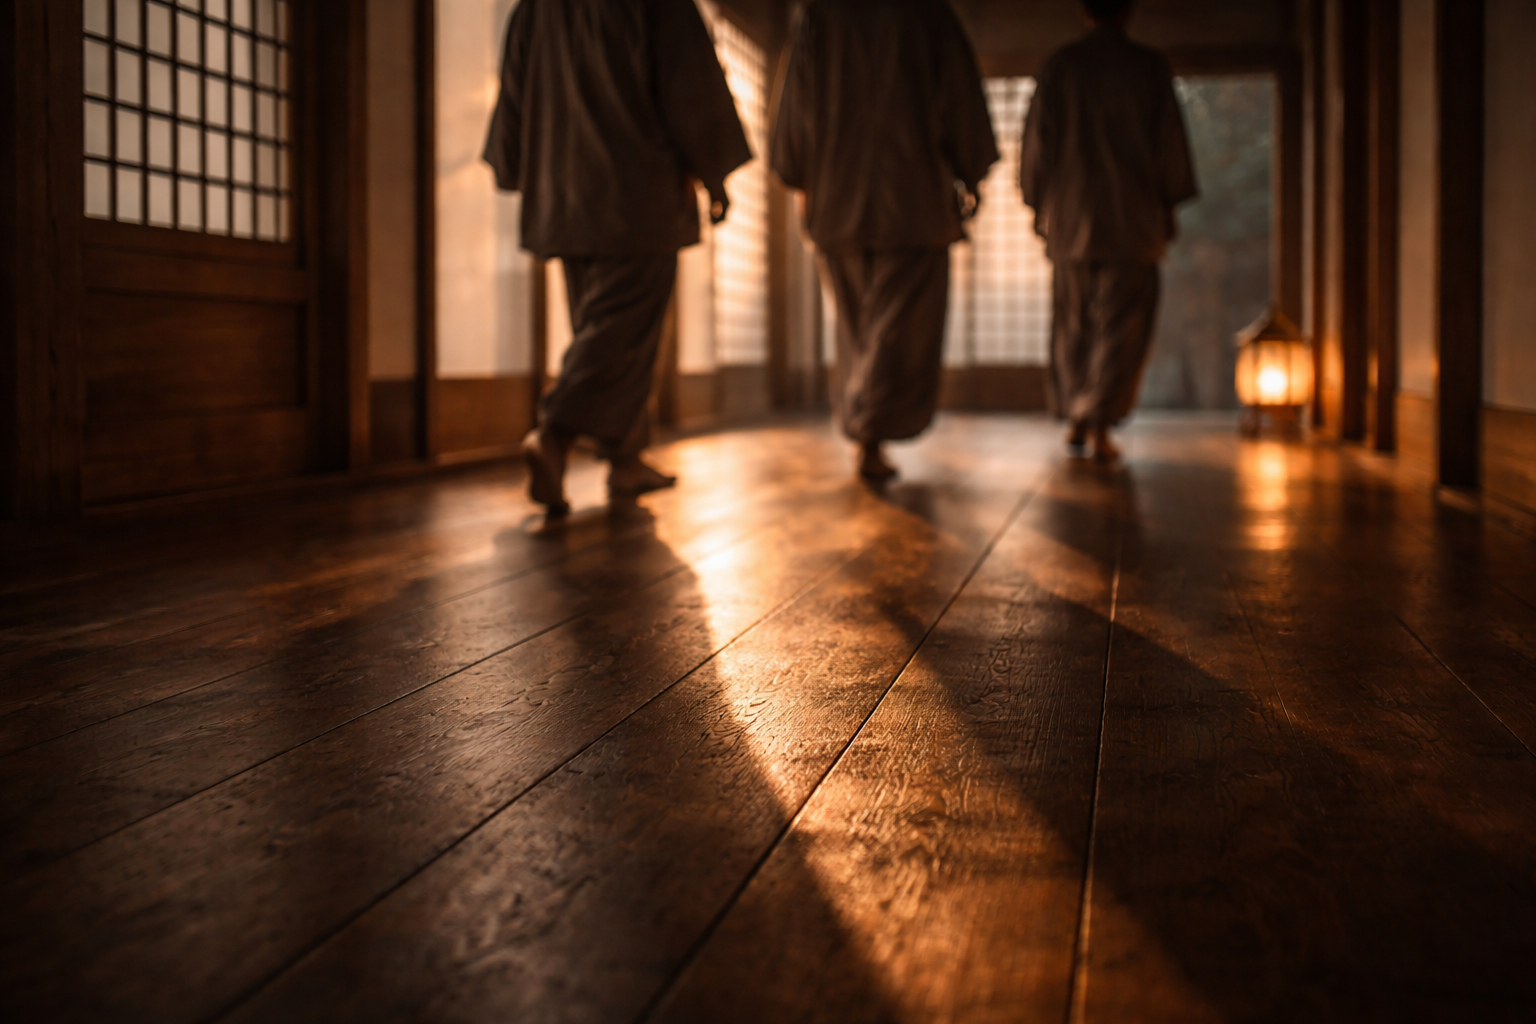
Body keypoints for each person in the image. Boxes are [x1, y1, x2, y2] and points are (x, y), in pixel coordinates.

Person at [484, 0, 752, 514]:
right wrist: (714, 172)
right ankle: (555, 434)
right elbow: (690, 83)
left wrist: (515, 165)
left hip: (562, 192)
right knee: (620, 330)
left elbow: (513, 96)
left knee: (600, 324)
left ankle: (624, 460)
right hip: (635, 192)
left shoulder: (533, 10)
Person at [771, 0, 998, 482]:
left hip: (838, 195)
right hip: (911, 195)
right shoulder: (929, 13)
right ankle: (869, 429)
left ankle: (865, 431)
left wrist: (802, 184)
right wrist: (970, 172)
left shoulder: (819, 15)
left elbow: (796, 106)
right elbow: (960, 98)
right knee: (898, 329)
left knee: (860, 327)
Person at [1019, 0, 1197, 461]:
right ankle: (1098, 420)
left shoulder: (1060, 66)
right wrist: (1169, 204)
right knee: (1122, 326)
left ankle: (1079, 415)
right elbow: (1169, 143)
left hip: (1072, 218)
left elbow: (1037, 143)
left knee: (1073, 323)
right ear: (1130, 11)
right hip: (1131, 217)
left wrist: (1038, 201)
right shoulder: (1148, 67)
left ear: (1083, 11)